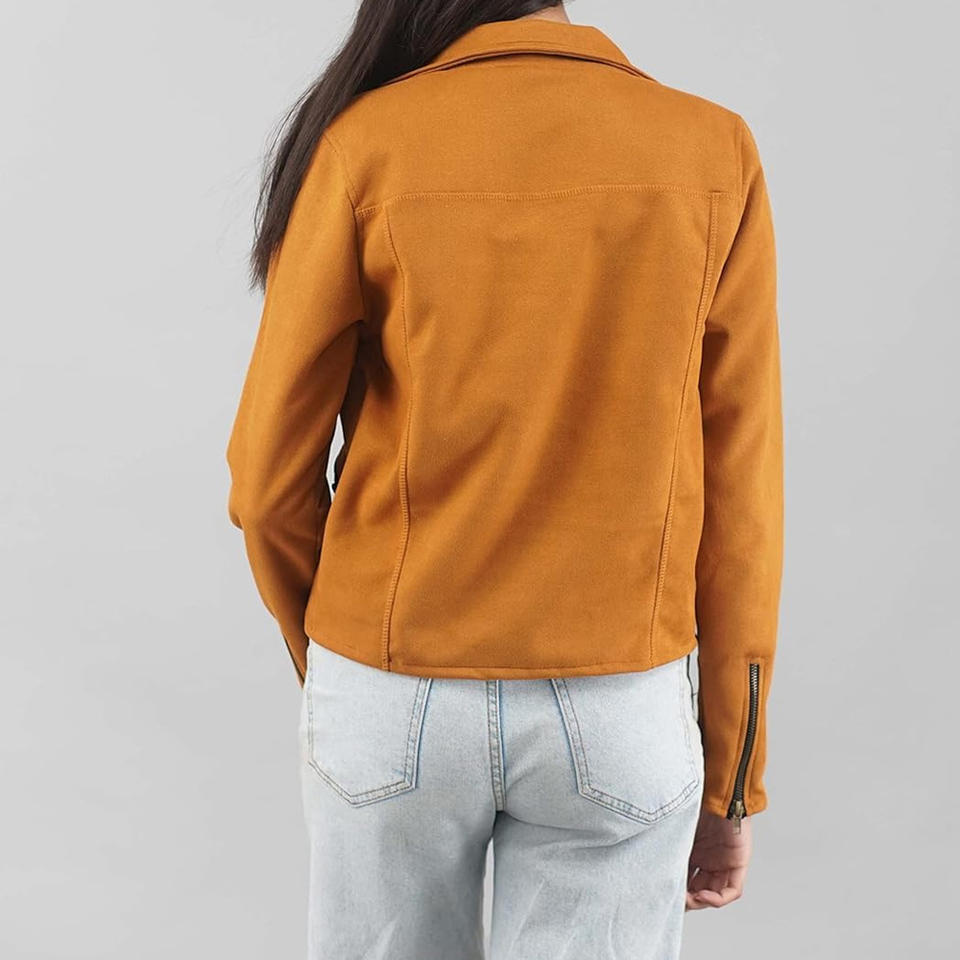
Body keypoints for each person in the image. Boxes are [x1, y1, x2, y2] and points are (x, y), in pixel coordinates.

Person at [226, 1, 783, 957]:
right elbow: (742, 501)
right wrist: (733, 773)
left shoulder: (365, 144)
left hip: (393, 683)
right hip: (619, 700)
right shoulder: (711, 149)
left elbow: (265, 486)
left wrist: (340, 663)